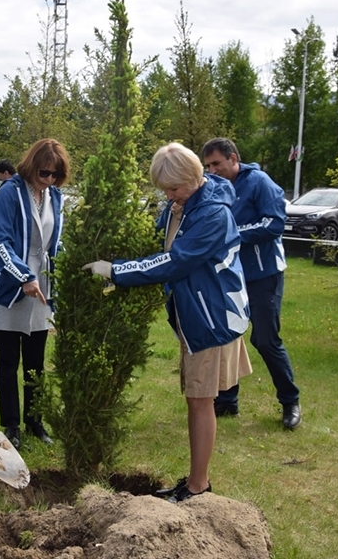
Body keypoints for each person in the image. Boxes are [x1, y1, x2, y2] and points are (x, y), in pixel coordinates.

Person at [83, 142, 252, 503]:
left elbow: (174, 262)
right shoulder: (184, 204)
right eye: (164, 189)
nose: (168, 195)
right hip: (197, 312)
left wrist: (116, 271)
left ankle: (197, 486)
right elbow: (158, 239)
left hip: (212, 317)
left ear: (194, 178)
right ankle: (196, 480)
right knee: (196, 398)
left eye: (173, 188)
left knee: (200, 400)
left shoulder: (211, 214)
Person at [201, 137, 301, 429]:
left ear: (234, 158)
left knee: (265, 340)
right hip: (231, 276)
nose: (212, 170)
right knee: (228, 337)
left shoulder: (260, 182)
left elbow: (275, 223)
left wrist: (232, 234)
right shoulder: (213, 187)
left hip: (264, 274)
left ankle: (290, 401)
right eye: (207, 166)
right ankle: (227, 401)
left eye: (217, 164)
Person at [0, 139, 69, 450]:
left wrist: (61, 273)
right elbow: (2, 244)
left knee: (36, 362)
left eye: (56, 176)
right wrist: (24, 277)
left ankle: (35, 421)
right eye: (45, 173)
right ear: (32, 166)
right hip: (10, 284)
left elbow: (56, 241)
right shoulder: (8, 193)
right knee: (8, 360)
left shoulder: (54, 196)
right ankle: (11, 426)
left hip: (41, 286)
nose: (49, 181)